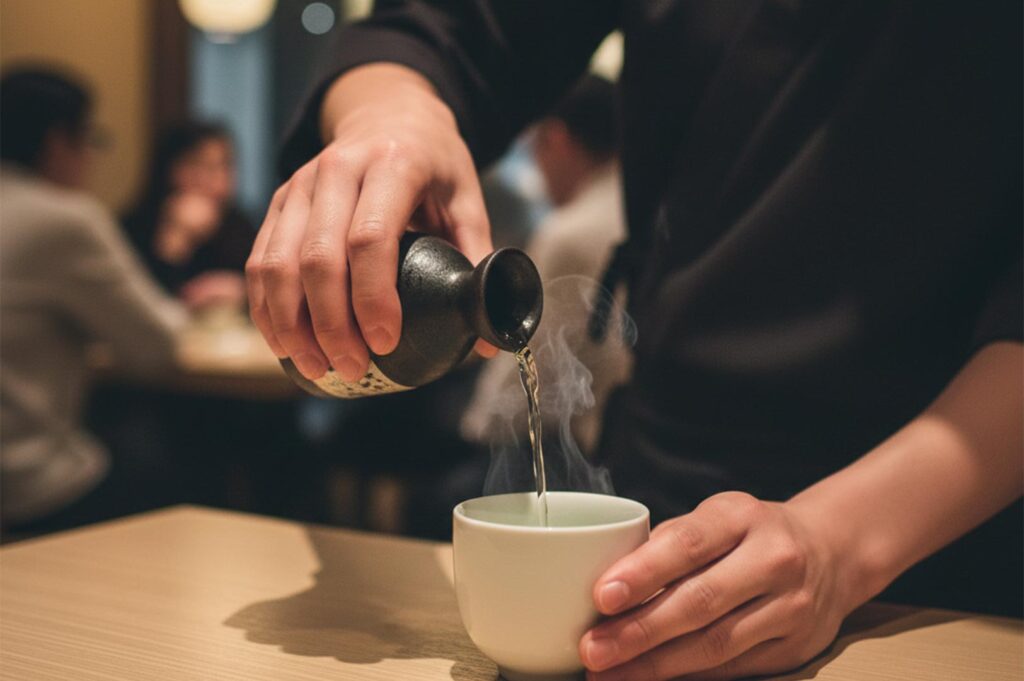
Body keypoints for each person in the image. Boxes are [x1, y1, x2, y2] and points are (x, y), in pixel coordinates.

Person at [246, 3, 1022, 679]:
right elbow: (450, 24)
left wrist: (840, 545)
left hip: (943, 554)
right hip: (661, 503)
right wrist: (395, 113)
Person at [0, 68, 187, 530]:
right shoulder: (64, 219)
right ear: (58, 140)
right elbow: (155, 345)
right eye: (89, 139)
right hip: (27, 482)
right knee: (177, 461)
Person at [462, 74, 631, 457]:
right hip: (624, 433)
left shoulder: (568, 231)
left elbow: (519, 380)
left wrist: (474, 430)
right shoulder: (639, 209)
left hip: (574, 443)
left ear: (555, 139)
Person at [122, 121, 251, 311]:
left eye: (224, 166)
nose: (215, 181)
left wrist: (243, 291)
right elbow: (133, 307)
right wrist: (175, 240)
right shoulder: (133, 228)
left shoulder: (239, 225)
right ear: (169, 169)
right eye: (199, 165)